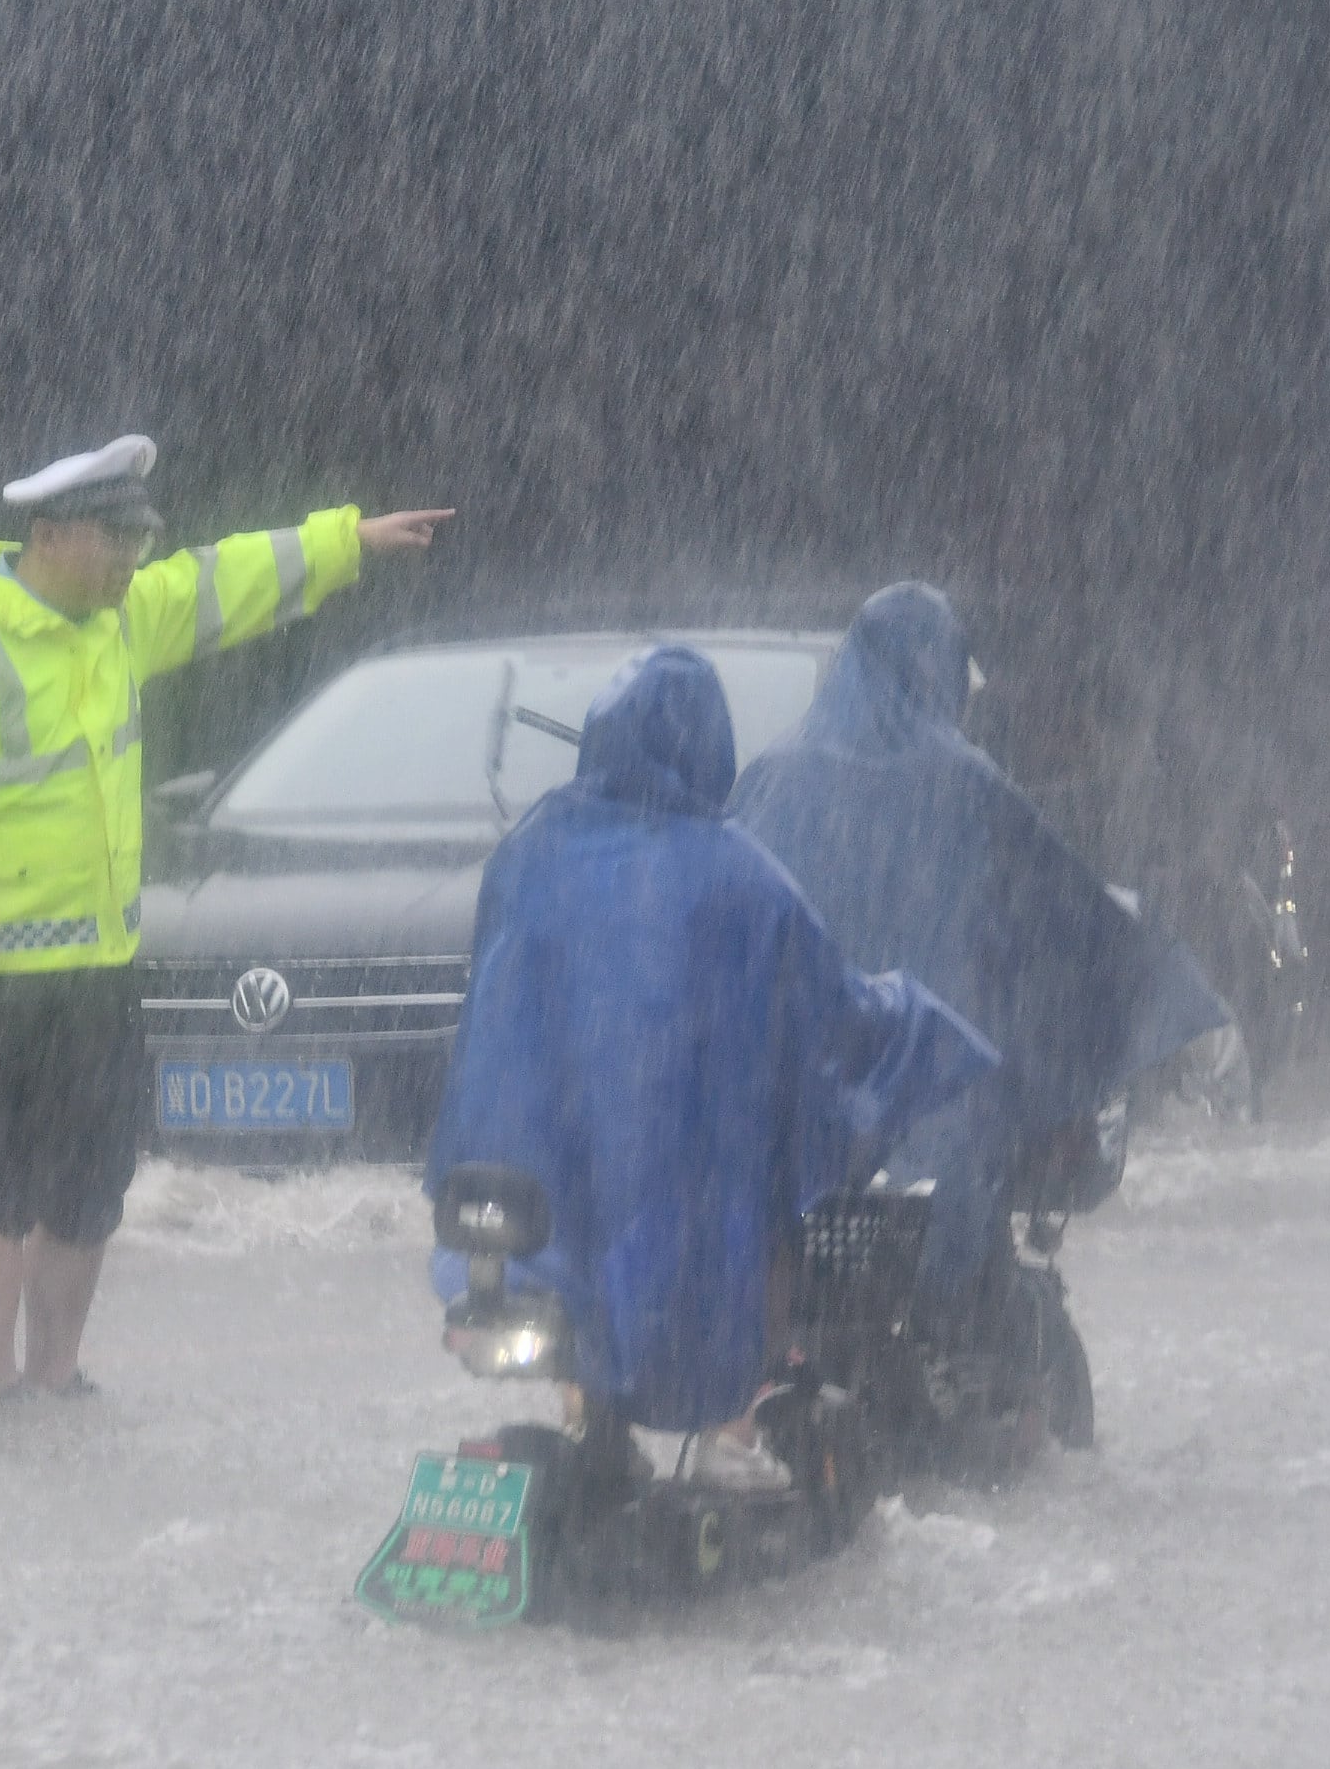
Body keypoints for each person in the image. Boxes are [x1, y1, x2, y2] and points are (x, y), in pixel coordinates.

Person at [0, 435, 453, 1405]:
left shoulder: (117, 619)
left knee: (91, 1191)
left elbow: (223, 581)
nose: (130, 560)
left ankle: (54, 1375)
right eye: (114, 540)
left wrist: (348, 540)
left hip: (100, 965)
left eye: (137, 541)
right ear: (50, 535)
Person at [424, 644, 990, 1491]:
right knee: (764, 1210)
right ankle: (732, 1436)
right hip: (672, 1212)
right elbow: (831, 1018)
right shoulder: (740, 879)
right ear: (706, 745)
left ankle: (585, 1416)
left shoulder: (531, 849)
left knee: (613, 1227)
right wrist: (922, 1024)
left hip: (526, 1197)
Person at [726, 583, 1226, 1333]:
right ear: (944, 673)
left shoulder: (768, 779)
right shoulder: (965, 784)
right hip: (935, 1108)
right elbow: (1065, 916)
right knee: (963, 1233)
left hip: (783, 1111)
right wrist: (1161, 994)